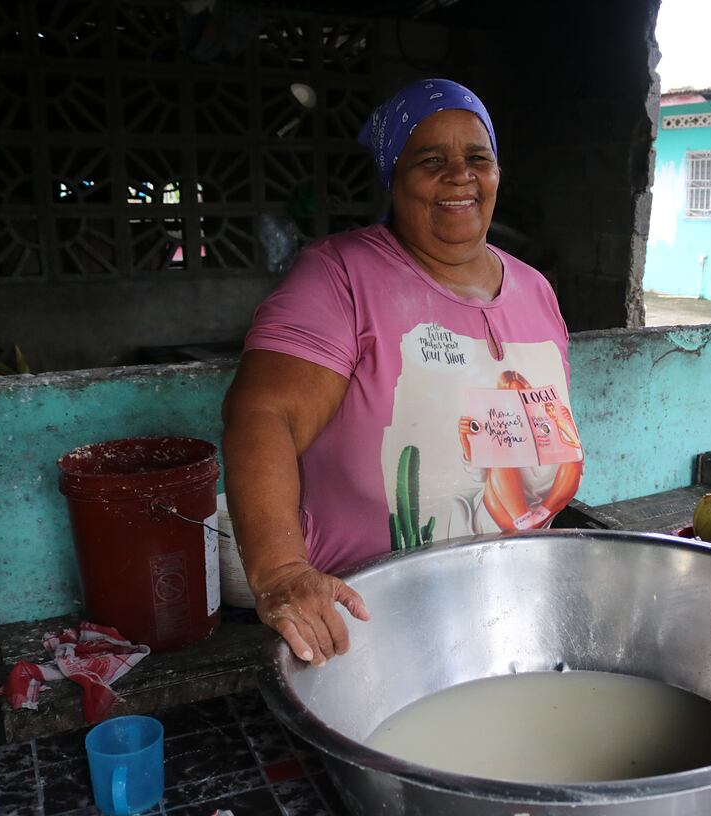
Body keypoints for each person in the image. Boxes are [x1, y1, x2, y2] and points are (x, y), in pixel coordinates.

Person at [221, 79, 584, 666]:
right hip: (366, 634)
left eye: (477, 158)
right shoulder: (341, 278)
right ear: (394, 178)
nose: (460, 176)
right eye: (431, 161)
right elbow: (262, 415)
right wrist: (282, 571)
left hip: (509, 622)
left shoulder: (535, 292)